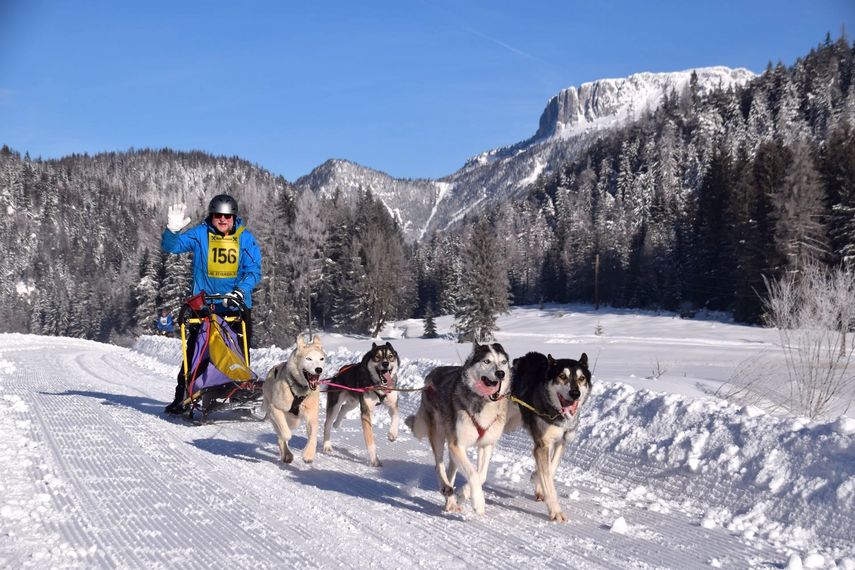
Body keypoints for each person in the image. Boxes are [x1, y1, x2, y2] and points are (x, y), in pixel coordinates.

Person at [161, 194, 262, 414]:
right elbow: (172, 247)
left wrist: (240, 291)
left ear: (234, 217)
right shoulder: (200, 234)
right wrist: (172, 230)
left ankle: (240, 396)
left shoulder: (245, 238)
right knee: (195, 352)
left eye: (227, 216)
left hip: (235, 306)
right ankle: (182, 396)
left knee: (238, 353)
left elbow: (254, 270)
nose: (223, 220)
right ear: (211, 215)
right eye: (218, 215)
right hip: (204, 306)